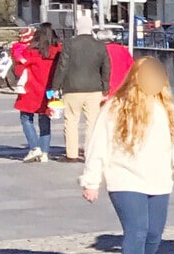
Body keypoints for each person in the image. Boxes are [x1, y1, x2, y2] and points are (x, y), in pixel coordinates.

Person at [79, 56, 174, 254]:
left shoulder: (166, 108)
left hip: (159, 179)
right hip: (124, 178)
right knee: (137, 229)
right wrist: (91, 180)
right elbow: (98, 145)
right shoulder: (114, 107)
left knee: (154, 232)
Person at [47, 27, 113, 162]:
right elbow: (106, 67)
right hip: (94, 89)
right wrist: (105, 88)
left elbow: (62, 66)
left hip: (72, 88)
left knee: (71, 121)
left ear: (78, 28)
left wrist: (56, 86)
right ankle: (90, 153)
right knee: (92, 122)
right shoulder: (100, 45)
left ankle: (71, 155)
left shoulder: (69, 44)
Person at [11, 24, 60, 163]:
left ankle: (34, 148)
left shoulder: (31, 51)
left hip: (31, 90)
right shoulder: (58, 51)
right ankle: (44, 152)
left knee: (26, 118)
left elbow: (19, 70)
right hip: (49, 91)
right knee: (45, 120)